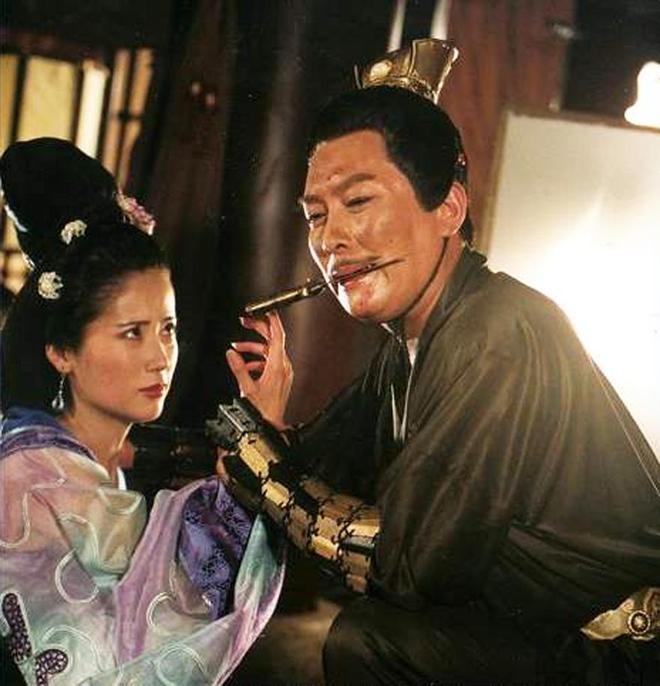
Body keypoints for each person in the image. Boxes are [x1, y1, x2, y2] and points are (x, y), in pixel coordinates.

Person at [222, 40, 660, 685]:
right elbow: (322, 467)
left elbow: (412, 567)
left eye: (359, 202)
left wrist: (266, 468)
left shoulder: (497, 330)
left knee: (370, 642)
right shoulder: (407, 348)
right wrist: (272, 427)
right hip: (546, 636)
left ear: (448, 209)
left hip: (622, 653)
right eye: (316, 215)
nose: (331, 238)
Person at [0, 139, 284, 685]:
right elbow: (113, 662)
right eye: (132, 332)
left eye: (168, 329)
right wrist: (251, 456)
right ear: (62, 352)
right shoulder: (31, 479)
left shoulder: (83, 460)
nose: (160, 357)